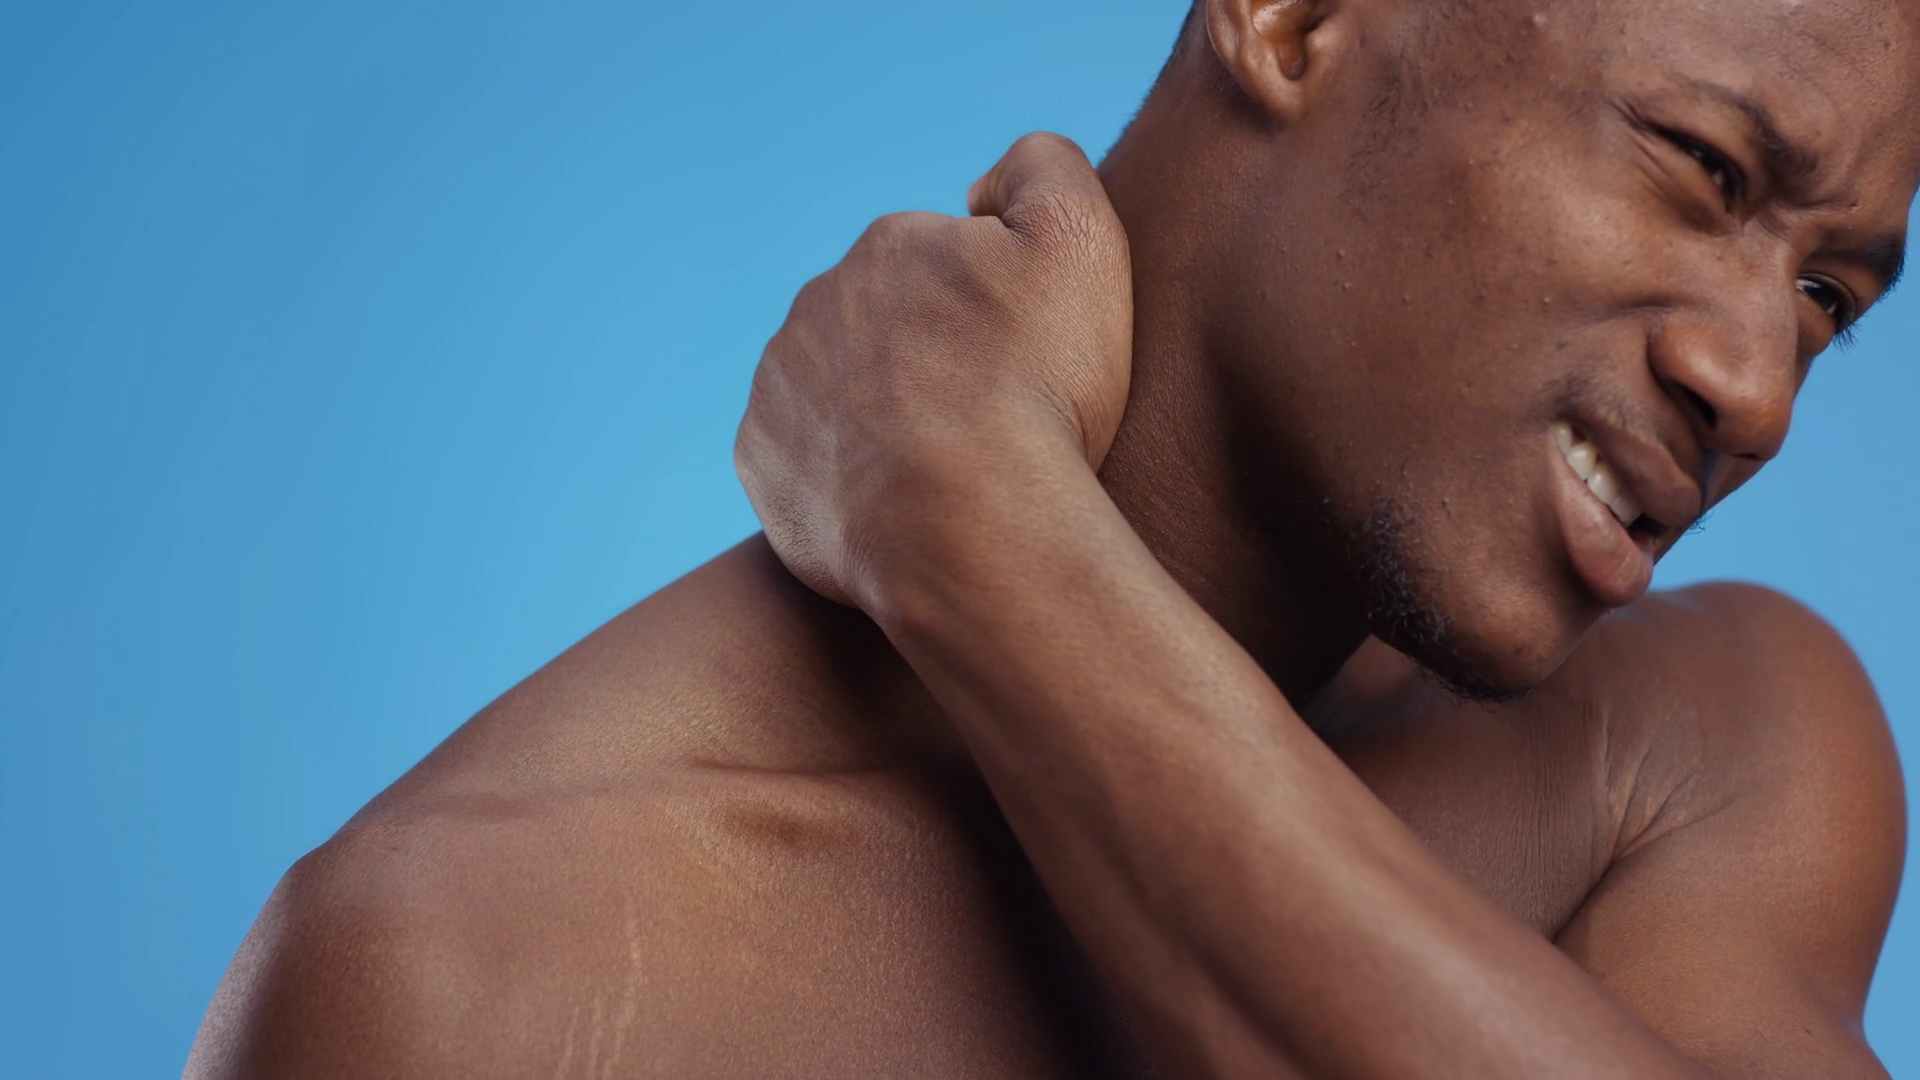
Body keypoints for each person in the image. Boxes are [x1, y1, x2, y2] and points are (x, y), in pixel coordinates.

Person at [186, 0, 1916, 1076]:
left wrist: (975, 527)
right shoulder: (466, 981)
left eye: (1829, 297)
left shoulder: (1703, 752)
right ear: (1297, 20)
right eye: (1704, 168)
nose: (1758, 390)